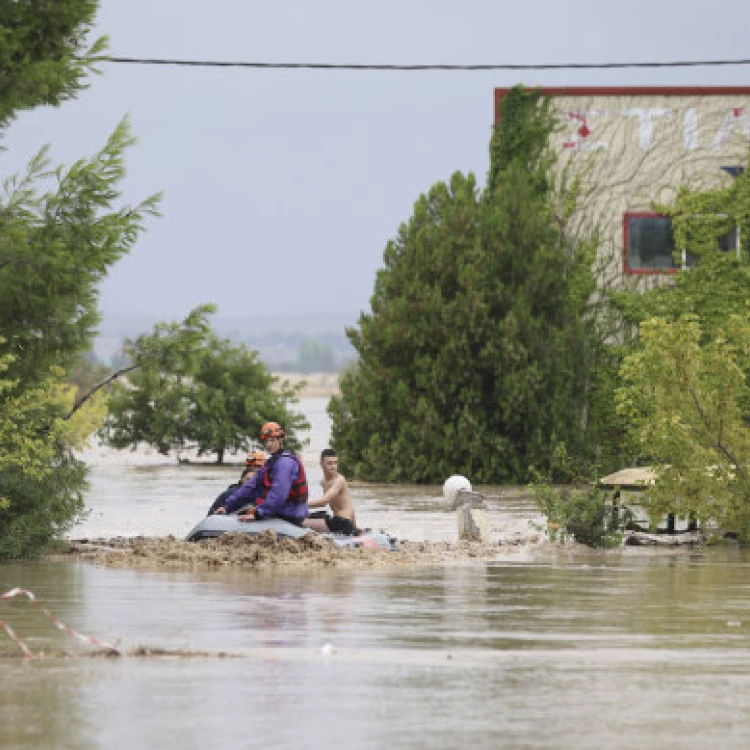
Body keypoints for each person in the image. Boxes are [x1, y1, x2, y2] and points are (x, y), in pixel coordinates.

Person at [215, 422, 309, 525]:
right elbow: (250, 486)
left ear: (281, 440)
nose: (268, 444)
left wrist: (259, 513)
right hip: (277, 513)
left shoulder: (285, 463)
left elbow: (278, 494)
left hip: (290, 516)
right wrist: (227, 506)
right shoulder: (270, 463)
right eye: (266, 441)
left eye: (272, 440)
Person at [303, 448, 358, 535]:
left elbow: (324, 502)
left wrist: (300, 505)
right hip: (335, 520)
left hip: (344, 522)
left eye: (335, 463)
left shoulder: (339, 480)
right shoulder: (323, 482)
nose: (333, 466)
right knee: (313, 515)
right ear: (321, 465)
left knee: (304, 522)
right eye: (329, 463)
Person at [206, 451, 266, 516]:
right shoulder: (231, 493)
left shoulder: (269, 490)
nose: (254, 469)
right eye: (250, 466)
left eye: (257, 466)